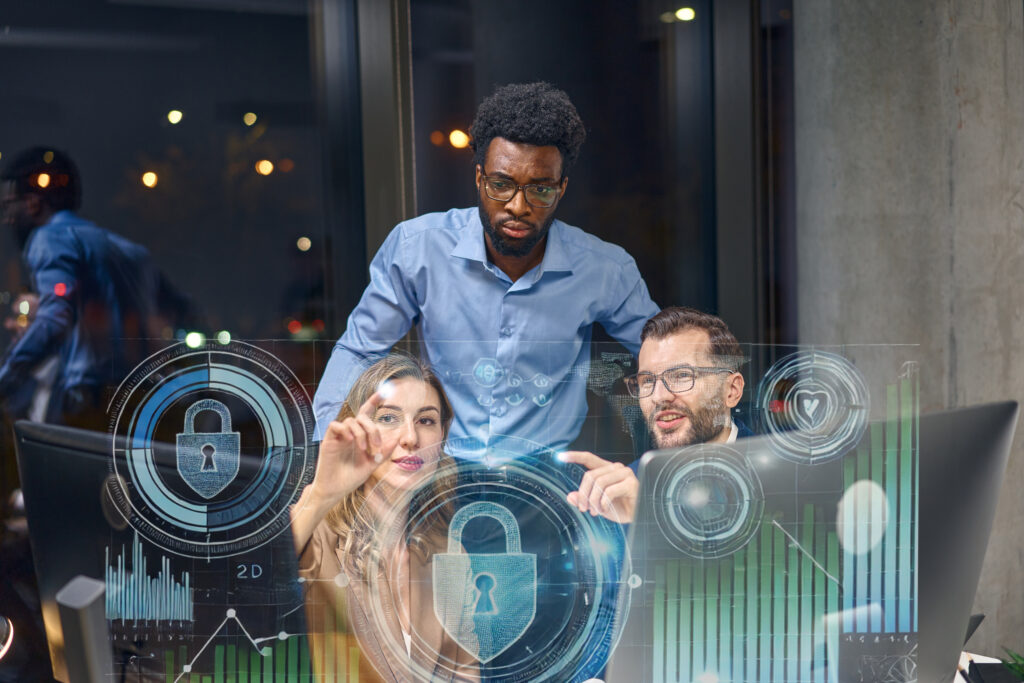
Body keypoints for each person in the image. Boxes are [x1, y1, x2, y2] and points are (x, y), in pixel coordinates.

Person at [313, 82, 659, 451]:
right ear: (479, 178)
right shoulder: (418, 249)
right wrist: (325, 447)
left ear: (562, 189)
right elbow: (362, 351)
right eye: (501, 184)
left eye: (540, 189)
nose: (517, 206)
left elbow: (664, 356)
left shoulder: (605, 269)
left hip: (548, 483)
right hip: (439, 473)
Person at [291, 354, 477, 682]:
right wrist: (321, 494)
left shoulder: (448, 553)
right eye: (389, 418)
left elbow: (464, 673)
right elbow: (248, 580)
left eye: (426, 421)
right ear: (358, 428)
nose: (410, 438)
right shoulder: (316, 537)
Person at [0, 146, 191, 427]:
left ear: (32, 204)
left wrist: (7, 378)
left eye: (8, 206)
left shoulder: (49, 238)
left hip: (88, 402)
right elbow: (179, 311)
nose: (7, 219)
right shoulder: (130, 251)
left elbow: (54, 319)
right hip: (142, 401)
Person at [564, 306, 749, 523]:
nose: (659, 397)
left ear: (731, 390)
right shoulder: (616, 497)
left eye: (681, 375)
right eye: (647, 381)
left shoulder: (788, 476)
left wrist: (649, 518)